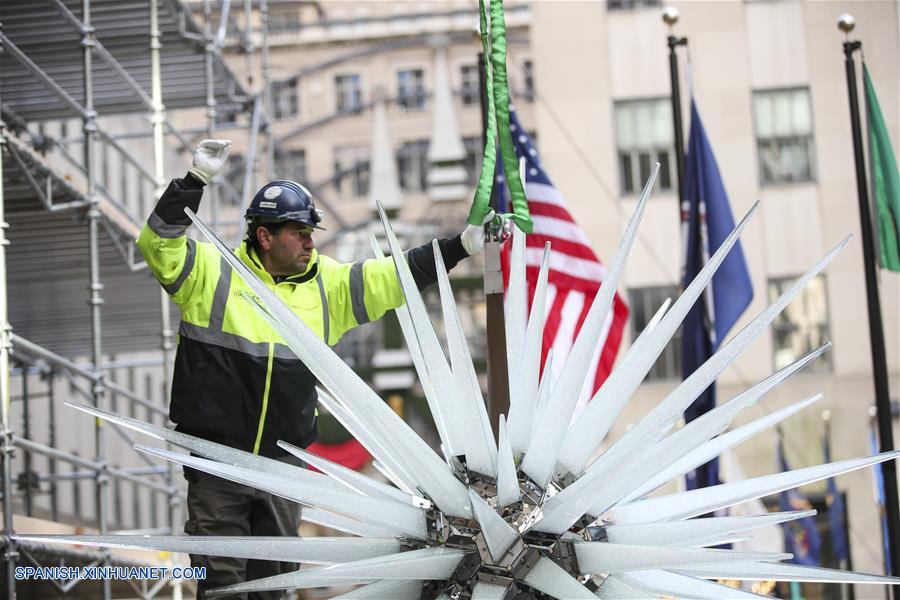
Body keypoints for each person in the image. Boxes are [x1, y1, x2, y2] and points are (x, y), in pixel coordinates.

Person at [137, 140, 489, 598]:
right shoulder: (211, 272)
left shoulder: (329, 287)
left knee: (277, 582)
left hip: (283, 464)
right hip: (217, 461)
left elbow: (395, 276)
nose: (310, 242)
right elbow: (157, 244)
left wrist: (458, 247)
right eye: (299, 233)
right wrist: (194, 182)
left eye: (311, 233)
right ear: (264, 236)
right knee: (221, 580)